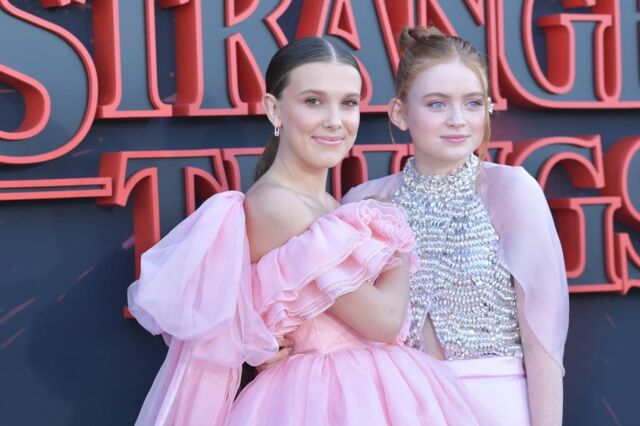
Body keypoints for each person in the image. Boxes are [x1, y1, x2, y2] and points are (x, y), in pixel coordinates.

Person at [127, 37, 494, 425]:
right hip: (326, 399)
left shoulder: (330, 206)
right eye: (313, 101)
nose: (335, 120)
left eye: (348, 103)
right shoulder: (279, 206)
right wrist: (397, 240)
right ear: (274, 109)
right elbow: (385, 322)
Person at [342, 27, 570, 426]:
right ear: (399, 113)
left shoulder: (511, 190)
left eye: (472, 103)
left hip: (496, 406)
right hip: (396, 408)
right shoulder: (363, 203)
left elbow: (543, 343)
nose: (457, 121)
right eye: (437, 104)